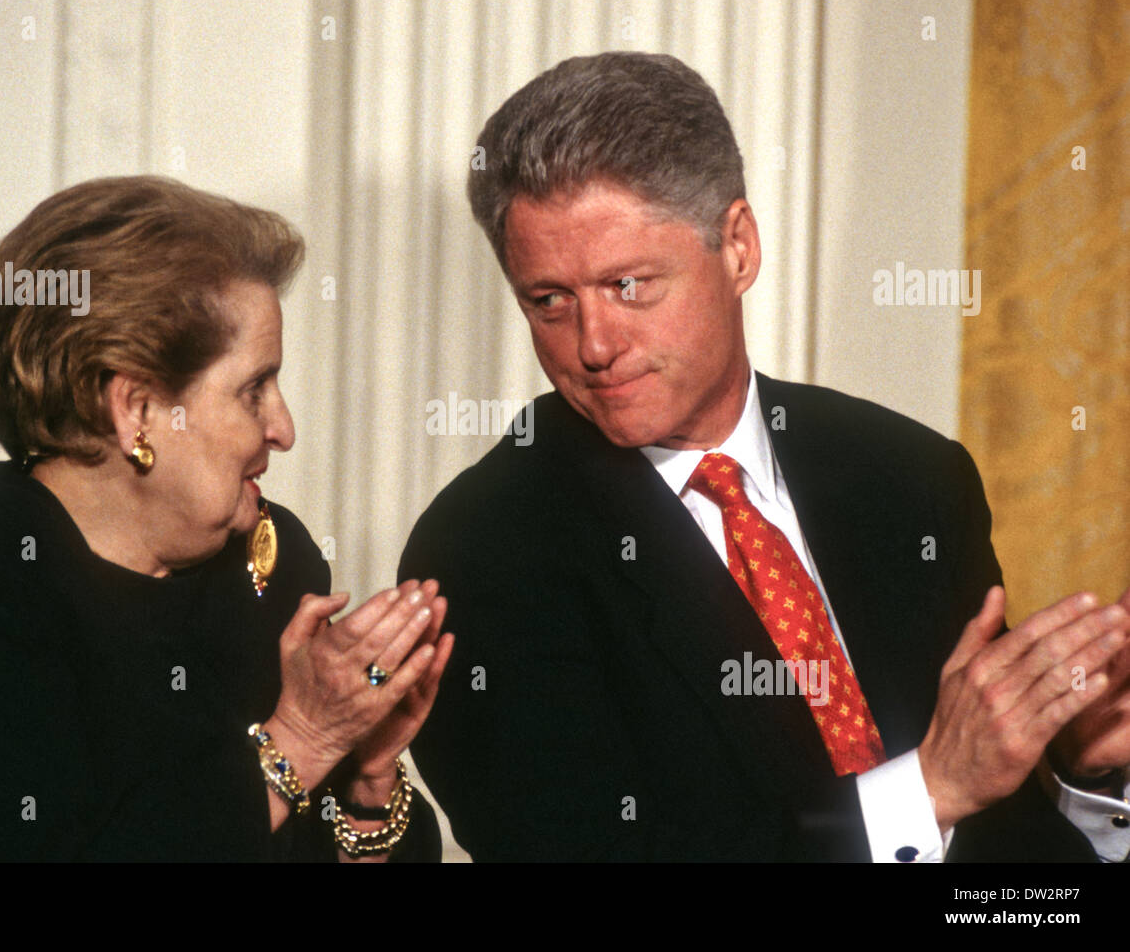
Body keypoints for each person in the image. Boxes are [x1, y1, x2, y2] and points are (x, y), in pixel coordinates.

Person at [400, 52, 1130, 861]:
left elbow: (1008, 864)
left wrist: (1075, 765)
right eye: (549, 301)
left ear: (738, 246)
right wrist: (928, 789)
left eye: (629, 285)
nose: (595, 345)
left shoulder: (910, 477)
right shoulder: (481, 553)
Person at [0, 175, 453, 861]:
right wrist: (299, 743)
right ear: (134, 410)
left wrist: (365, 775)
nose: (283, 427)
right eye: (253, 388)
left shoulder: (273, 563)